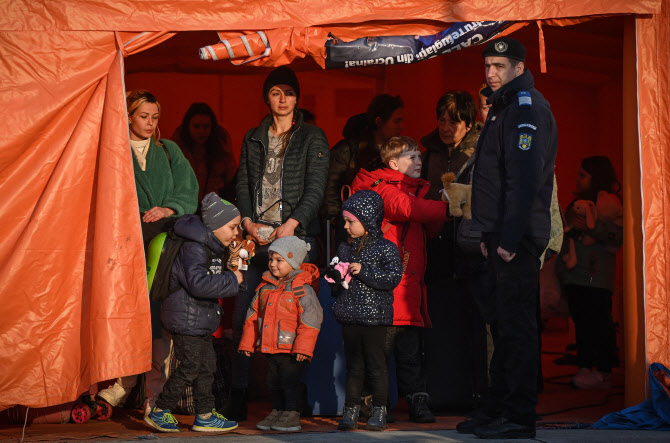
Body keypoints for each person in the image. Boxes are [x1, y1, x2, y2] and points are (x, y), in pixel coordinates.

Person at [458, 37, 558, 439]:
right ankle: (497, 408)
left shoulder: (525, 109)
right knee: (502, 326)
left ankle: (518, 416)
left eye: (500, 66)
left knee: (516, 328)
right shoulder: (502, 108)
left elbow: (524, 180)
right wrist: (488, 231)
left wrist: (511, 238)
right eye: (487, 66)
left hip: (516, 236)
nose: (491, 73)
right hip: (499, 232)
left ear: (519, 67)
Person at [230, 65, 330, 420]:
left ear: (297, 97)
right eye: (276, 92)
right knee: (246, 314)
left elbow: (316, 188)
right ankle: (238, 394)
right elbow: (242, 183)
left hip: (293, 239)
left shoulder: (312, 136)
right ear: (267, 97)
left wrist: (291, 224)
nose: (283, 99)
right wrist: (246, 221)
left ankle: (289, 404)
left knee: (291, 320)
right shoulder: (253, 136)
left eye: (288, 92)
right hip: (256, 237)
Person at [97, 90, 198, 414]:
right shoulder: (112, 151)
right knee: (126, 315)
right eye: (144, 116)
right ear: (128, 115)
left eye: (155, 117)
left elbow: (188, 189)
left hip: (162, 246)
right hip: (123, 245)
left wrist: (169, 207)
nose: (150, 122)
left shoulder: (168, 150)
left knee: (160, 318)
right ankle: (120, 385)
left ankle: (154, 398)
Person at [351, 136, 449, 423]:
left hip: (407, 287)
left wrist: (437, 211)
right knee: (381, 351)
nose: (419, 162)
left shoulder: (412, 190)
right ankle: (373, 404)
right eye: (412, 157)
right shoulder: (380, 187)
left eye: (419, 157)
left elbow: (425, 227)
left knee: (409, 352)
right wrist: (448, 206)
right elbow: (406, 208)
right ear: (393, 163)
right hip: (386, 288)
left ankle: (414, 401)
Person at [144, 192, 242, 433]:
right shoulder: (194, 247)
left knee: (207, 365)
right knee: (191, 366)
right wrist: (232, 279)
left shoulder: (210, 246)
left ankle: (205, 415)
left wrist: (233, 274)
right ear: (216, 225)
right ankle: (159, 410)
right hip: (186, 318)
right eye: (233, 227)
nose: (236, 233)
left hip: (199, 318)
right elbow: (197, 283)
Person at [330, 190, 403, 432]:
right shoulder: (344, 247)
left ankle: (379, 409)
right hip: (350, 315)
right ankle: (350, 409)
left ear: (368, 221)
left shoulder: (386, 248)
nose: (346, 226)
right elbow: (341, 281)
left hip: (375, 318)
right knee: (354, 366)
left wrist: (365, 271)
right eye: (345, 221)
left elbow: (392, 278)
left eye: (351, 221)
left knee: (376, 365)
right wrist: (336, 280)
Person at [238, 236, 323, 432]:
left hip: (292, 349)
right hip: (270, 347)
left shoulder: (302, 289)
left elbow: (311, 321)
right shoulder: (264, 287)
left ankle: (292, 413)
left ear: (293, 262)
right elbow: (252, 317)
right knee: (273, 381)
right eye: (271, 259)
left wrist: (303, 348)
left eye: (279, 260)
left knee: (289, 381)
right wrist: (247, 344)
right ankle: (277, 410)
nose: (273, 264)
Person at [557, 156, 623, 390]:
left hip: (597, 276)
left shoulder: (609, 206)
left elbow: (618, 236)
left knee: (600, 322)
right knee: (581, 322)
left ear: (597, 178)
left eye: (583, 175)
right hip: (576, 275)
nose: (578, 179)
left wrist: (594, 229)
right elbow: (564, 237)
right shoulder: (576, 205)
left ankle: (604, 370)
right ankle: (584, 367)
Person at [322, 94, 405, 248]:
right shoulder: (349, 150)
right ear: (379, 121)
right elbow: (330, 187)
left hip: (385, 230)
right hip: (350, 229)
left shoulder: (400, 152)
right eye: (396, 121)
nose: (401, 126)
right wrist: (337, 220)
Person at [171, 103, 237, 203]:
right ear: (188, 127)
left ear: (212, 127)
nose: (201, 131)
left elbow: (230, 177)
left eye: (205, 127)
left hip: (215, 204)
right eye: (196, 127)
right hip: (184, 204)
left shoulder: (221, 148)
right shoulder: (177, 148)